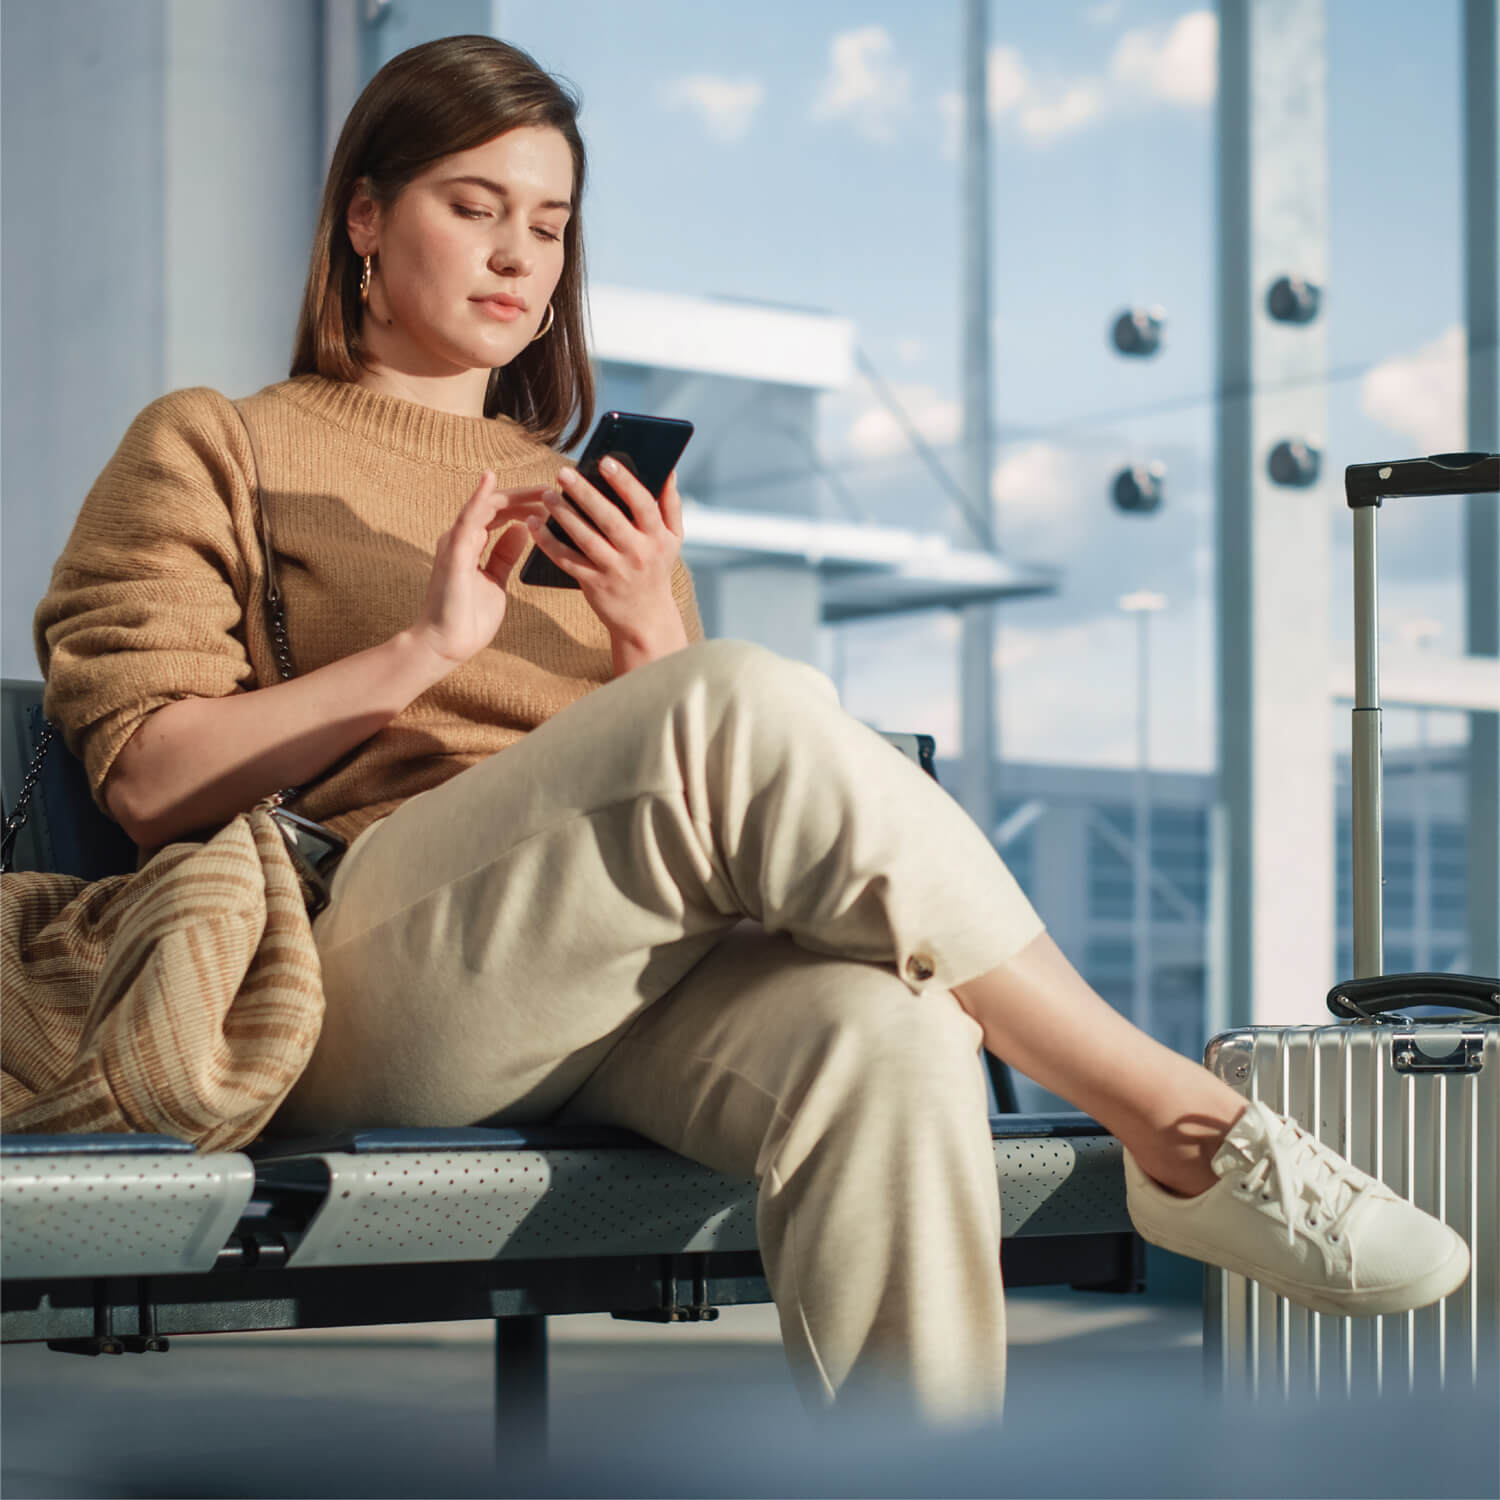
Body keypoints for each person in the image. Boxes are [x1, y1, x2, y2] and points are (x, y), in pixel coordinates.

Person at [32, 35, 1470, 1427]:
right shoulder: (218, 442)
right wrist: (426, 648)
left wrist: (645, 630)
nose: (519, 255)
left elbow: (681, 785)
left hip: (612, 987)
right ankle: (1180, 1121)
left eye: (550, 224)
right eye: (473, 208)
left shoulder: (578, 495)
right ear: (364, 217)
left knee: (892, 1037)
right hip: (361, 971)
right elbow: (149, 777)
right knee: (738, 698)